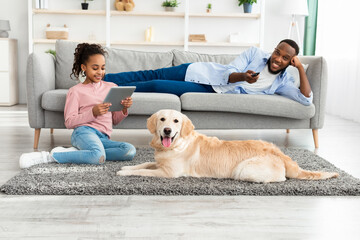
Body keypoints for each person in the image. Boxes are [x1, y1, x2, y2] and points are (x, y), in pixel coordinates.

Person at [19, 43, 136, 168]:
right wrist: (93, 112)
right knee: (97, 157)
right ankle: (49, 157)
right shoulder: (76, 91)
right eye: (95, 68)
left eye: (102, 68)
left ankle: (86, 153)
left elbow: (115, 121)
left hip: (104, 137)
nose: (100, 72)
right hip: (84, 132)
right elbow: (69, 122)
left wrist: (124, 108)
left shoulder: (112, 87)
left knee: (129, 151)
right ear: (84, 67)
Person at [104, 39, 312, 106]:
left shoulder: (282, 83)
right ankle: (103, 80)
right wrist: (243, 77)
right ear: (273, 50)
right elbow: (231, 71)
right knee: (150, 74)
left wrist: (301, 68)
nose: (278, 59)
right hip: (200, 72)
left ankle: (108, 90)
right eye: (277, 52)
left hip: (208, 90)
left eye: (285, 58)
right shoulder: (255, 54)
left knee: (156, 85)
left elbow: (306, 99)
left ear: (290, 62)